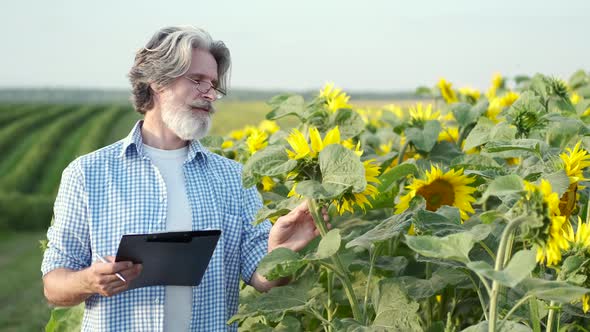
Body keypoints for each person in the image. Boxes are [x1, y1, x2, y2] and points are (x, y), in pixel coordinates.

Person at [41, 25, 326, 331]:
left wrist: (281, 251)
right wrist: (88, 280)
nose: (210, 93)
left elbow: (264, 279)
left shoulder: (233, 177)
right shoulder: (88, 174)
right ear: (157, 81)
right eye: (197, 79)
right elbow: (54, 286)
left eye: (214, 84)